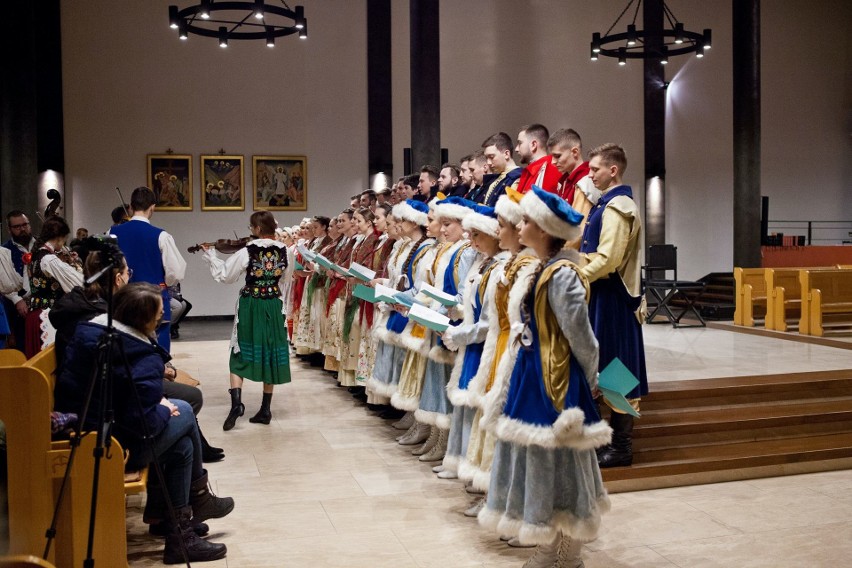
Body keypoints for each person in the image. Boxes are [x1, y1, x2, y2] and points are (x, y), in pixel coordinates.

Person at [54, 283, 234, 564]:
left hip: (90, 428)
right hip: (107, 444)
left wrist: (159, 405)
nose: (164, 319)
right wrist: (164, 409)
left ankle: (177, 529)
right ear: (144, 320)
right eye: (160, 313)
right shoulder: (137, 354)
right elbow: (144, 425)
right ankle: (192, 508)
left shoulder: (92, 332)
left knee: (183, 447)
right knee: (184, 410)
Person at [479, 186, 610, 568]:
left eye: (526, 220)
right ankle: (550, 541)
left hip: (557, 381)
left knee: (564, 463)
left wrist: (589, 379)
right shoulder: (540, 267)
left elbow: (581, 337)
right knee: (538, 460)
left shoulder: (562, 274)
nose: (519, 226)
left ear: (543, 227)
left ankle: (570, 548)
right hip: (532, 373)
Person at [48, 244, 225, 465]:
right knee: (187, 403)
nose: (129, 277)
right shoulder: (99, 314)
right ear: (118, 279)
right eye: (127, 272)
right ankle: (195, 479)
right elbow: (122, 371)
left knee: (183, 434)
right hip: (102, 410)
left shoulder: (84, 302)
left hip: (100, 394)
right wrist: (160, 397)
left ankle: (195, 486)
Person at [580, 144, 648, 468]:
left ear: (613, 170)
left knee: (616, 367)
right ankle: (599, 442)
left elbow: (608, 260)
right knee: (601, 363)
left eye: (594, 169)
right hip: (600, 295)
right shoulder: (605, 203)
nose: (590, 174)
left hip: (614, 298)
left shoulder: (619, 206)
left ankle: (621, 447)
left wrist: (573, 272)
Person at [201, 211, 295, 430]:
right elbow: (286, 278)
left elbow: (226, 276)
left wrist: (212, 257)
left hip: (251, 303)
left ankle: (236, 405)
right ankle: (265, 409)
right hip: (272, 302)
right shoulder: (285, 251)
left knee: (239, 349)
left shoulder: (248, 251)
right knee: (270, 351)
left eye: (251, 228)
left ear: (258, 229)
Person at [110, 186, 187, 352]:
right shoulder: (161, 236)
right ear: (153, 207)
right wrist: (162, 282)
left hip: (124, 299)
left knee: (125, 348)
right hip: (155, 299)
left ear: (130, 207)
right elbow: (176, 271)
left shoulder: (112, 233)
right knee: (158, 352)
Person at [24, 216, 84, 358]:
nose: (64, 244)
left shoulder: (35, 254)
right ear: (58, 237)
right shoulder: (49, 259)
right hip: (46, 317)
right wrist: (77, 268)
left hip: (35, 314)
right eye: (64, 239)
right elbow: (78, 283)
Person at [547, 128, 601, 246]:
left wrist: (557, 256)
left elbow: (579, 231)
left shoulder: (586, 181)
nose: (553, 162)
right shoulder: (565, 181)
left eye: (557, 156)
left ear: (575, 152)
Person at [2, 210, 35, 351]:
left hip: (42, 303)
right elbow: (3, 281)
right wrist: (17, 300)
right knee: (22, 347)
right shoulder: (4, 250)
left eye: (25, 225)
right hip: (18, 306)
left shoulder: (41, 245)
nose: (22, 229)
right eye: (17, 227)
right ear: (10, 230)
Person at [515, 123, 561, 194]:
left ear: (533, 145)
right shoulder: (527, 172)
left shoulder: (551, 169)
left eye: (520, 143)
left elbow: (546, 204)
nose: (516, 149)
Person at [479, 133, 522, 207]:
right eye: (487, 158)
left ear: (506, 154)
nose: (488, 163)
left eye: (491, 157)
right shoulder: (495, 178)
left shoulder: (518, 177)